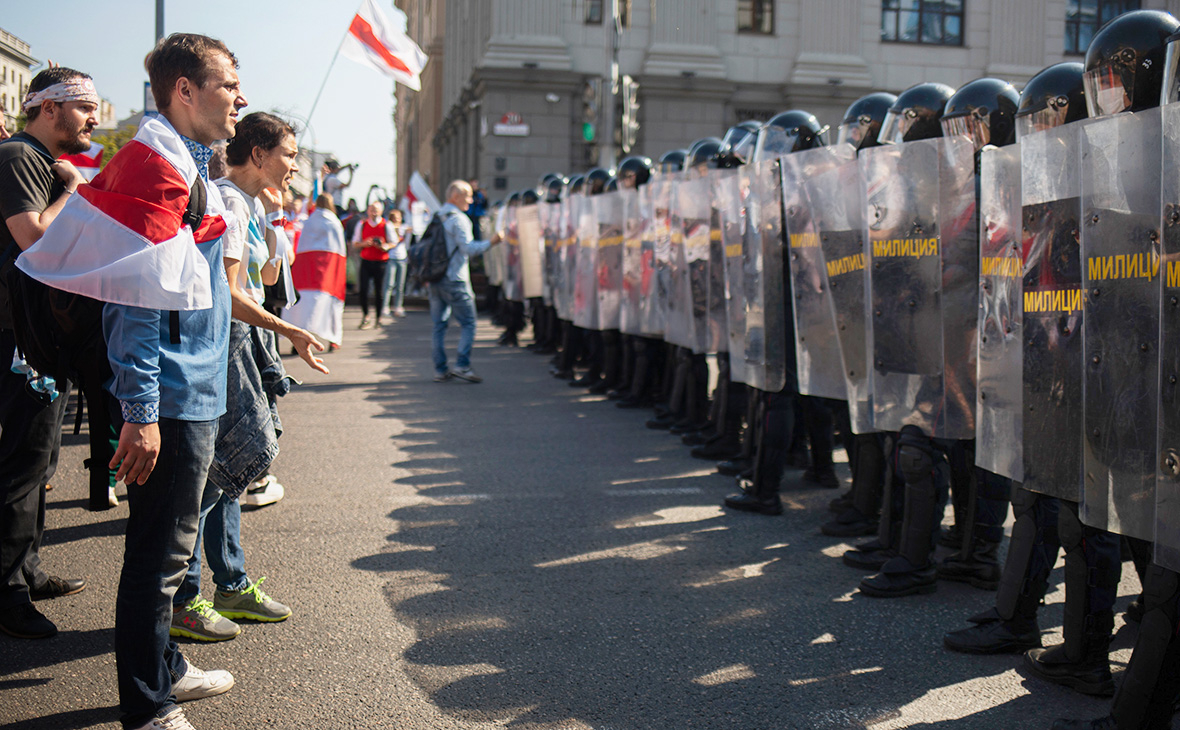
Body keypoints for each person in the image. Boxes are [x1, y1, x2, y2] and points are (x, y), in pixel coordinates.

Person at [20, 33, 249, 729]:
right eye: (228, 83)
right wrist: (142, 411)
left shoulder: (181, 159)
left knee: (168, 553)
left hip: (191, 389)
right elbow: (136, 304)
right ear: (185, 89)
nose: (241, 97)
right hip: (173, 398)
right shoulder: (155, 164)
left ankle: (166, 671)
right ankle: (147, 708)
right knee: (157, 559)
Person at [170, 111, 325, 644]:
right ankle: (184, 598)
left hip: (239, 343)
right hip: (226, 346)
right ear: (258, 154)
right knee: (214, 479)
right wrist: (290, 330)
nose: (294, 165)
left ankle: (230, 583)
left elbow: (266, 277)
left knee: (227, 474)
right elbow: (232, 298)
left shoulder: (247, 203)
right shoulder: (230, 201)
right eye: (288, 154)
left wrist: (276, 221)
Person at [0, 66, 94, 640]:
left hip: (39, 338)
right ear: (49, 107)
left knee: (39, 461)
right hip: (17, 340)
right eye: (83, 107)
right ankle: (7, 593)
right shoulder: (17, 157)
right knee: (20, 465)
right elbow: (34, 239)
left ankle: (27, 571)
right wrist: (71, 193)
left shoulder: (35, 160)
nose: (92, 120)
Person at [431, 180, 502, 383]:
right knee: (469, 323)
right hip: (455, 279)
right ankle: (462, 365)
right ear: (455, 197)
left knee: (439, 326)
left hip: (436, 278)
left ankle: (440, 369)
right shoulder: (459, 219)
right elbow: (469, 249)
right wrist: (493, 242)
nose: (471, 200)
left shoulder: (438, 215)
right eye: (468, 195)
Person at [352, 201, 394, 329]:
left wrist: (384, 246)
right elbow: (355, 243)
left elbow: (393, 242)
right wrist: (364, 244)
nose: (373, 212)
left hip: (381, 261)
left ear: (381, 211)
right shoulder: (362, 225)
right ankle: (366, 316)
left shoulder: (387, 225)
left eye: (376, 209)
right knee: (363, 290)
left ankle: (379, 317)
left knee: (379, 291)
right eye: (371, 209)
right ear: (368, 211)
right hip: (366, 260)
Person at [384, 208, 409, 317]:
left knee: (400, 285)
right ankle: (385, 307)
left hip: (402, 257)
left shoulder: (404, 227)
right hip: (391, 257)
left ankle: (398, 306)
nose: (397, 220)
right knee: (389, 284)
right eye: (394, 218)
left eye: (398, 218)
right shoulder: (388, 226)